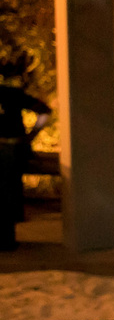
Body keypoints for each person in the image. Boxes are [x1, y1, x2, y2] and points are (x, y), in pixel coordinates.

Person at [0, 55, 51, 249]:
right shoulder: (13, 94)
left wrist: (30, 136)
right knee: (8, 192)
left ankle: (7, 239)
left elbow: (44, 111)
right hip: (12, 149)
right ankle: (7, 239)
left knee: (7, 192)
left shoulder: (12, 94)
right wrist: (31, 136)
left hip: (10, 149)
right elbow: (44, 111)